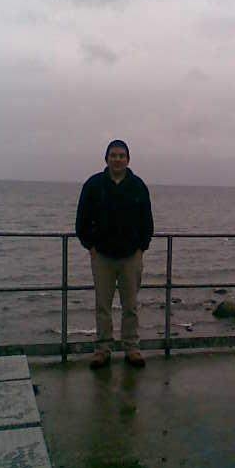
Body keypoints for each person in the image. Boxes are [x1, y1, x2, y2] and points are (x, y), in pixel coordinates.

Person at [75, 140, 154, 368]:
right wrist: (90, 246)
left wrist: (141, 248)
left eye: (121, 155)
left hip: (131, 257)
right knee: (103, 306)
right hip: (102, 257)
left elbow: (147, 222)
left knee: (130, 307)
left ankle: (132, 348)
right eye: (113, 155)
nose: (117, 159)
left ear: (128, 159)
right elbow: (81, 221)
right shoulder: (93, 185)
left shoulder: (138, 186)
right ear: (106, 158)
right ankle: (102, 349)